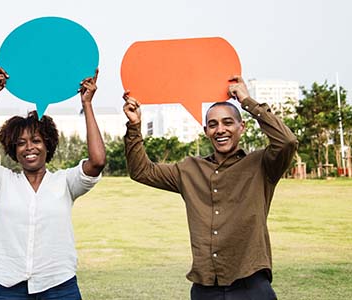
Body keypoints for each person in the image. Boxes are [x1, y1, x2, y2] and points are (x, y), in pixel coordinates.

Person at [122, 76, 298, 300]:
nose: (220, 129)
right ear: (206, 130)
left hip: (251, 285)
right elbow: (142, 171)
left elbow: (287, 142)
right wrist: (134, 126)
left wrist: (246, 101)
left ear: (241, 127)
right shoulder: (188, 170)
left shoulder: (262, 165)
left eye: (228, 122)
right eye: (213, 124)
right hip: (205, 287)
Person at [0, 58, 106, 299]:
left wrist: (87, 104)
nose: (29, 148)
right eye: (21, 143)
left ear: (48, 145)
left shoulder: (65, 183)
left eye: (36, 140)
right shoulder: (3, 181)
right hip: (9, 286)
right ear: (13, 149)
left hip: (59, 285)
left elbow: (97, 162)